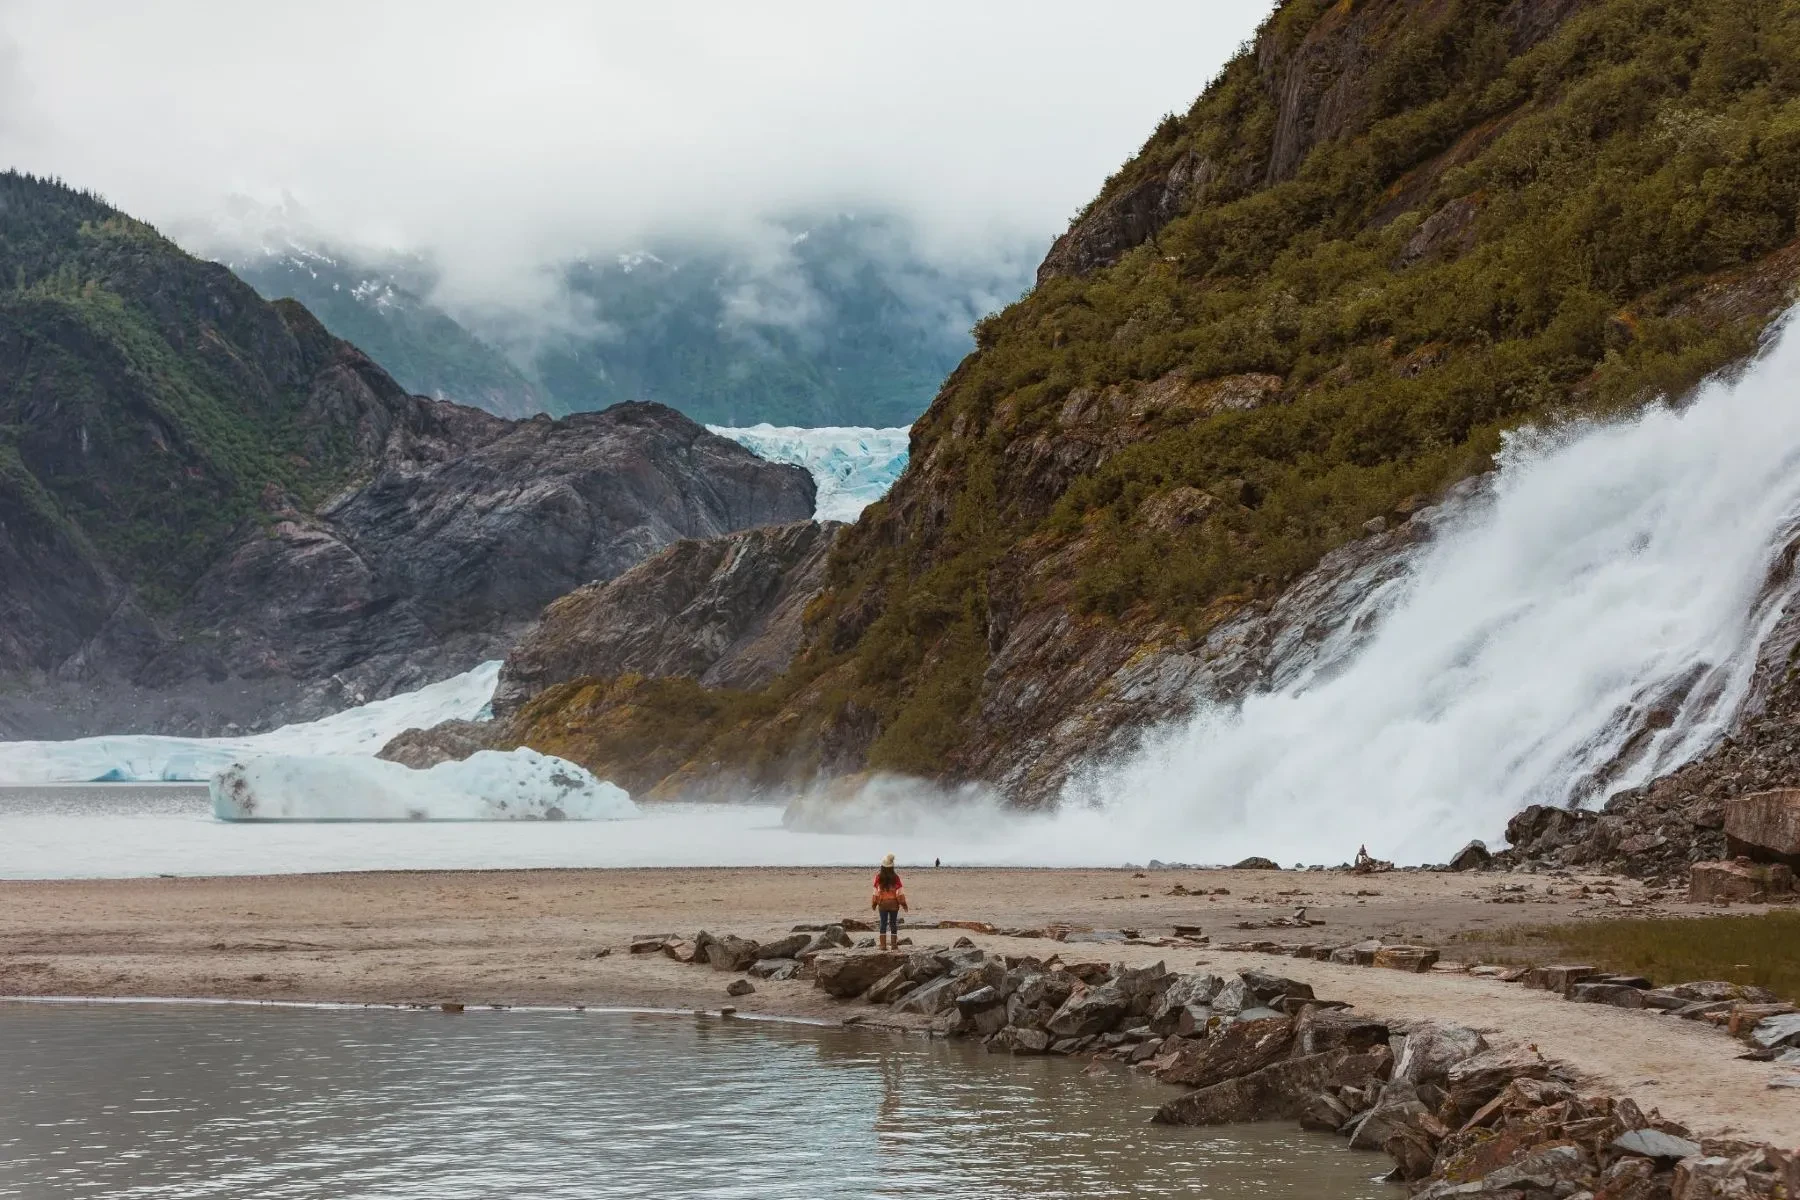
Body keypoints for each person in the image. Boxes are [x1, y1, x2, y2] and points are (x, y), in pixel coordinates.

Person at [871, 854, 908, 950]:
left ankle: (883, 945)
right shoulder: (896, 877)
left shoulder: (878, 877)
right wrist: (904, 904)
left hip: (882, 904)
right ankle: (894, 945)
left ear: (882, 867)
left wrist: (874, 903)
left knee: (883, 923)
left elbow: (876, 892)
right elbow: (899, 893)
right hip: (894, 904)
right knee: (893, 923)